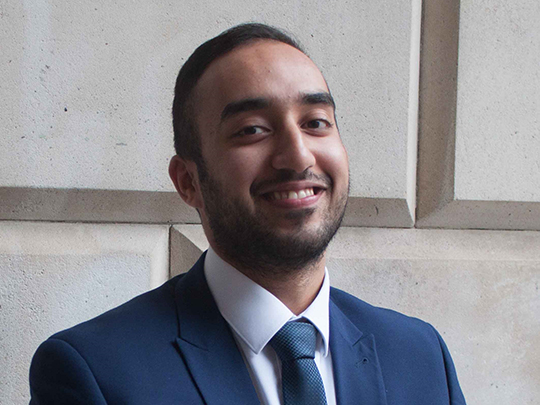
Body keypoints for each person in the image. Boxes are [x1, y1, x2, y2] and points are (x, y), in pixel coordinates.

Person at [29, 23, 466, 404]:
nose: (297, 157)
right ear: (188, 182)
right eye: (252, 130)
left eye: (315, 122)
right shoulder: (95, 372)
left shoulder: (420, 356)